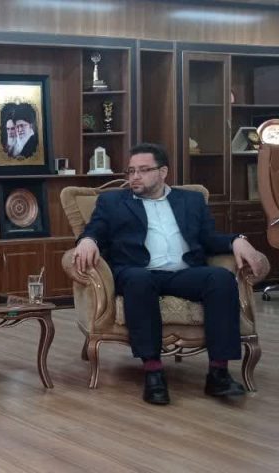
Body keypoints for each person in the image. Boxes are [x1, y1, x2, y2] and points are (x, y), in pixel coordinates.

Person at [73, 142, 268, 405]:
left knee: (220, 279)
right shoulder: (112, 202)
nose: (134, 177)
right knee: (139, 280)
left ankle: (218, 374)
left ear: (163, 172)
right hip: (138, 271)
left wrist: (237, 240)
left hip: (183, 272)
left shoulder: (191, 200)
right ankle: (153, 373)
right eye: (131, 171)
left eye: (143, 170)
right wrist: (88, 241)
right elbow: (94, 230)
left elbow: (209, 238)